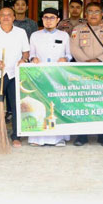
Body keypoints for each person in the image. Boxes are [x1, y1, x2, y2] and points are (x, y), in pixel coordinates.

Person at [0, 7, 30, 148]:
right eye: (3, 15)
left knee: (16, 105)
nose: (6, 17)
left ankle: (16, 136)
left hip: (15, 73)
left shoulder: (21, 32)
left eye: (9, 15)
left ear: (14, 17)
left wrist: (24, 59)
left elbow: (26, 52)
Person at [69, 2, 103, 147]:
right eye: (90, 11)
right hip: (83, 71)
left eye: (97, 12)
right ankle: (82, 135)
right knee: (83, 103)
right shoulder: (77, 29)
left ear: (102, 14)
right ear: (85, 14)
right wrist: (86, 62)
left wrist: (99, 60)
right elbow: (74, 48)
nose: (94, 14)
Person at [27, 8, 72, 147]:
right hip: (39, 76)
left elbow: (69, 54)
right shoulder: (35, 35)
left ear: (58, 20)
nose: (48, 20)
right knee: (40, 105)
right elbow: (31, 54)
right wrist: (33, 58)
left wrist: (65, 58)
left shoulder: (64, 35)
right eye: (46, 17)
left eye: (52, 17)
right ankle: (37, 138)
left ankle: (58, 138)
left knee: (56, 105)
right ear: (42, 19)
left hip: (58, 75)